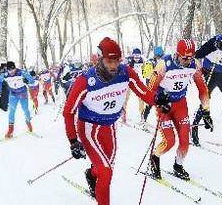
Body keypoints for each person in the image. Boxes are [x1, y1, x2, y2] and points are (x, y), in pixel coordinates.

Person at [63, 37, 156, 205]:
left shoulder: (126, 72)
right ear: (100, 59)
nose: (113, 66)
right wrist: (73, 141)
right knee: (106, 172)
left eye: (117, 60)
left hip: (109, 128)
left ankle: (91, 175)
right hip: (89, 129)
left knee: (105, 170)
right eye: (108, 61)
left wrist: (159, 100)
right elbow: (68, 112)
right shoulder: (85, 81)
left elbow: (144, 92)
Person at [146, 39, 212, 180]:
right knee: (169, 141)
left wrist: (206, 111)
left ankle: (178, 165)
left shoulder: (194, 65)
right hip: (165, 106)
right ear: (177, 54)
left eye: (191, 57)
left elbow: (202, 89)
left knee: (184, 140)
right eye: (185, 58)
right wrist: (158, 98)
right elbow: (150, 88)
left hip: (181, 104)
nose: (188, 61)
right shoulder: (164, 64)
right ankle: (154, 157)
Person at [0, 61, 34, 138]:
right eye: (10, 70)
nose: (12, 72)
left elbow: (31, 80)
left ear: (15, 68)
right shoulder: (5, 75)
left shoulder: (21, 72)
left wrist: (27, 81)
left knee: (25, 109)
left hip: (22, 93)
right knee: (12, 111)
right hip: (13, 94)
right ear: (7, 69)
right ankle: (10, 130)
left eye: (13, 70)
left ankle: (28, 123)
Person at [121, 48, 146, 122]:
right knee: (125, 98)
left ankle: (142, 115)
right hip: (129, 83)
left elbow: (145, 70)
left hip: (137, 83)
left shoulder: (143, 61)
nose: (137, 58)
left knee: (141, 98)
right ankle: (123, 114)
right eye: (135, 56)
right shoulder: (128, 60)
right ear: (132, 55)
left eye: (138, 56)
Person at [141, 46, 165, 123]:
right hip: (152, 85)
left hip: (161, 85)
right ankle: (143, 119)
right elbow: (146, 75)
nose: (160, 57)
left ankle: (162, 121)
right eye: (159, 55)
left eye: (161, 55)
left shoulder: (164, 61)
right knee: (150, 104)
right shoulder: (150, 62)